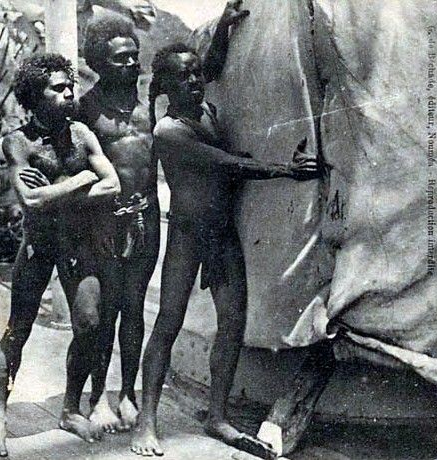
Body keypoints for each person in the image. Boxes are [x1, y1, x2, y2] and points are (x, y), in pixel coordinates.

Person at [131, 33, 321, 460]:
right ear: (165, 87)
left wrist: (224, 28)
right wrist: (285, 171)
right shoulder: (169, 131)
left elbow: (213, 68)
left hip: (221, 234)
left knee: (232, 324)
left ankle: (217, 416)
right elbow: (227, 164)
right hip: (187, 236)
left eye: (196, 74)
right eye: (183, 77)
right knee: (168, 324)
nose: (195, 82)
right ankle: (147, 420)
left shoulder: (209, 111)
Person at [0, 53, 121, 457]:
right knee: (17, 329)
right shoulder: (17, 142)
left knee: (90, 323)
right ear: (32, 96)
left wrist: (57, 190)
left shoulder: (81, 135)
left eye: (69, 86)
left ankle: (71, 409)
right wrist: (78, 179)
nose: (68, 93)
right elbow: (30, 200)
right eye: (57, 89)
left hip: (78, 244)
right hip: (38, 246)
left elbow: (112, 186)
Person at [77, 15, 158, 433]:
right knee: (105, 310)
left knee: (135, 307)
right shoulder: (85, 108)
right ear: (100, 62)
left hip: (147, 217)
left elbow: (204, 69)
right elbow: (75, 167)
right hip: (104, 222)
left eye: (134, 57)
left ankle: (127, 392)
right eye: (121, 59)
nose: (131, 65)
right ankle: (98, 397)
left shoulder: (150, 101)